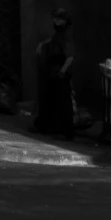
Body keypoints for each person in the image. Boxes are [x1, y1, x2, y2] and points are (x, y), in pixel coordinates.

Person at [33, 9, 76, 137]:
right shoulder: (59, 33)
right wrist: (42, 43)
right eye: (55, 18)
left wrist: (62, 71)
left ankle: (65, 132)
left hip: (60, 72)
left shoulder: (67, 35)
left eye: (59, 19)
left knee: (63, 103)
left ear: (65, 21)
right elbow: (53, 40)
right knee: (52, 101)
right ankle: (50, 128)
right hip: (53, 72)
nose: (56, 21)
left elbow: (71, 56)